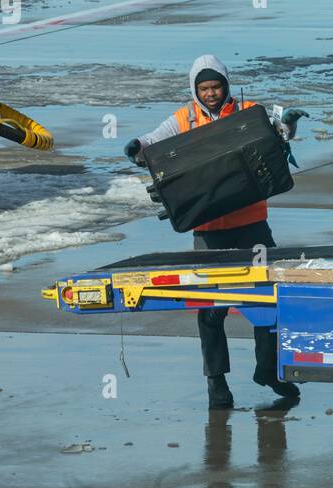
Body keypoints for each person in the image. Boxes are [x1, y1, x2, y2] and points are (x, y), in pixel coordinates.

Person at [126, 54, 299, 410]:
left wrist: (289, 126)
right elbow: (155, 140)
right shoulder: (184, 118)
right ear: (194, 89)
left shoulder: (249, 110)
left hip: (251, 225)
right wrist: (138, 148)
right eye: (203, 88)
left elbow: (278, 131)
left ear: (226, 84)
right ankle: (216, 382)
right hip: (208, 231)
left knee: (270, 298)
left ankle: (269, 369)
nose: (211, 94)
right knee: (209, 309)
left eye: (216, 86)